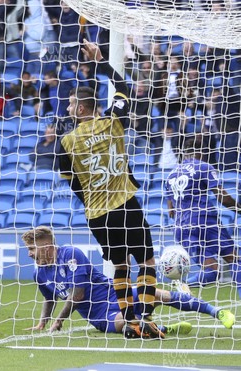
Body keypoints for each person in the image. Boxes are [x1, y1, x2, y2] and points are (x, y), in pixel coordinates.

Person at [58, 40, 162, 339]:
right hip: (125, 202)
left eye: (70, 103)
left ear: (80, 108)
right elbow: (122, 87)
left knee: (119, 265)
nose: (67, 107)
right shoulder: (114, 121)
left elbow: (71, 180)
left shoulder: (65, 141)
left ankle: (130, 322)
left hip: (96, 214)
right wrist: (100, 62)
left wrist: (90, 197)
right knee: (146, 261)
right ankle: (145, 316)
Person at [22, 226, 236, 335]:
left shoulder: (70, 254)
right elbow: (49, 298)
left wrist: (59, 320)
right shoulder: (39, 273)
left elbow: (77, 295)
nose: (30, 254)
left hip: (114, 293)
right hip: (100, 315)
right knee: (128, 324)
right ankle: (166, 328)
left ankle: (217, 312)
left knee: (159, 294)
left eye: (32, 249)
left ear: (47, 247)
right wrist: (43, 321)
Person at [165, 138, 241, 297]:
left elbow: (170, 210)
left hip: (182, 227)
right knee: (235, 261)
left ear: (184, 152)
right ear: (203, 152)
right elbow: (222, 197)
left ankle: (183, 285)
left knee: (212, 271)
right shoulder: (204, 166)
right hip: (205, 219)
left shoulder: (171, 174)